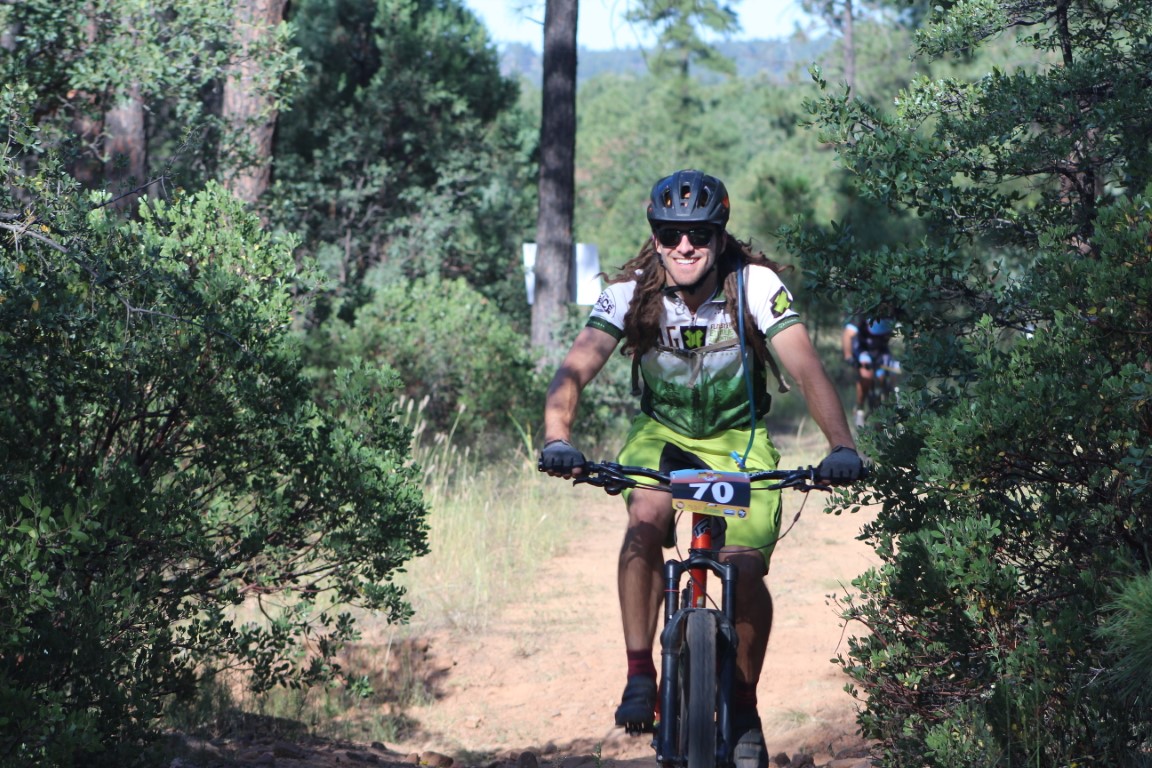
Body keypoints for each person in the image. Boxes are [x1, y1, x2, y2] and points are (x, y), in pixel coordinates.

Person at [537, 170, 864, 768]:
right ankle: (641, 671)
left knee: (743, 569)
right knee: (645, 517)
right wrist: (558, 437)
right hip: (661, 436)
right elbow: (575, 368)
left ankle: (743, 703)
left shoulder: (754, 286)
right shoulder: (630, 292)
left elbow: (806, 368)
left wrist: (841, 446)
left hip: (739, 439)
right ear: (656, 237)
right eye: (671, 234)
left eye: (699, 234)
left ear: (720, 235)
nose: (684, 246)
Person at [841, 315, 896, 427]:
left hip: (881, 349)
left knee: (891, 374)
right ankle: (859, 408)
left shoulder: (895, 310)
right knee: (866, 375)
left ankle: (889, 407)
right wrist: (849, 357)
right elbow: (848, 333)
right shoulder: (862, 312)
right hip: (863, 348)